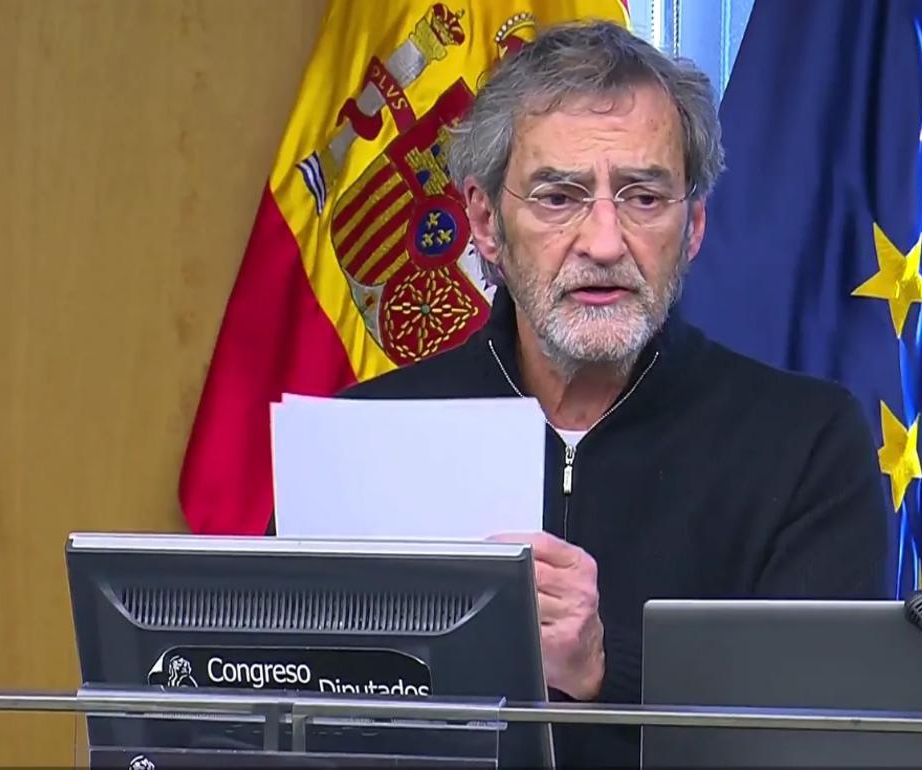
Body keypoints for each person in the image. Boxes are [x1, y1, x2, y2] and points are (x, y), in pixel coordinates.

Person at [339, 19, 890, 767]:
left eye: (644, 198)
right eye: (559, 197)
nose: (604, 243)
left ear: (693, 227)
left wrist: (607, 673)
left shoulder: (807, 443)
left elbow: (822, 734)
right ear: (485, 223)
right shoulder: (362, 438)